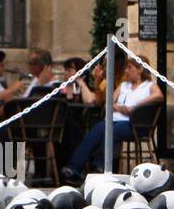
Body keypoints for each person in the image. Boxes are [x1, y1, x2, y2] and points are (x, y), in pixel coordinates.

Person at [62, 55, 163, 183]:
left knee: (112, 130)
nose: (126, 71)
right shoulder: (124, 86)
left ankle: (99, 167)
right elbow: (108, 102)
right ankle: (74, 168)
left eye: (129, 68)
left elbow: (158, 96)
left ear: (140, 69)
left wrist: (135, 107)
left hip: (133, 125)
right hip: (114, 120)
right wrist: (120, 108)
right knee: (95, 131)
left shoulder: (148, 85)